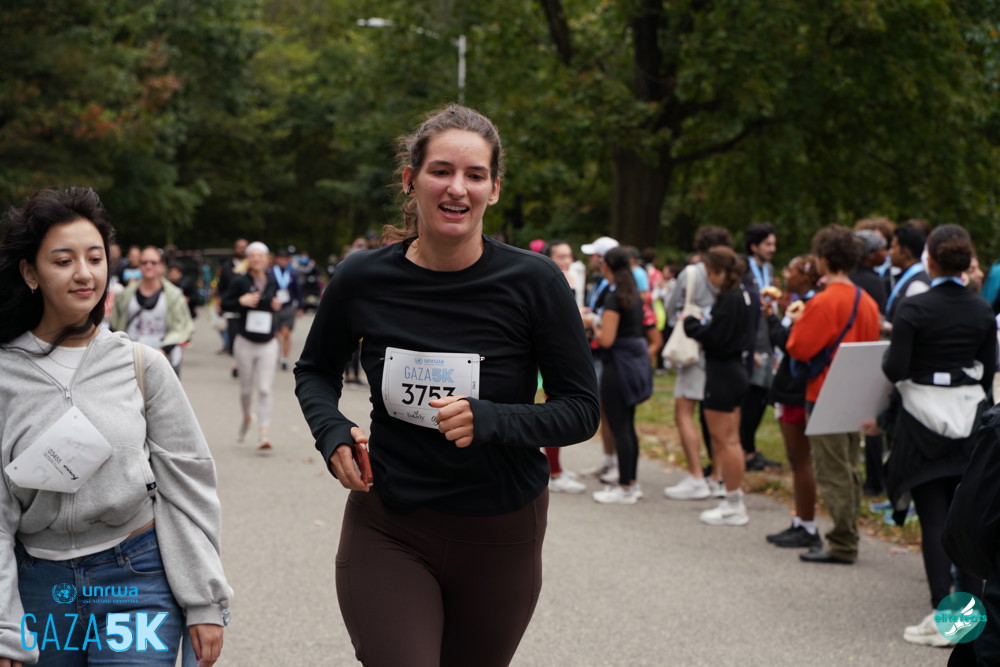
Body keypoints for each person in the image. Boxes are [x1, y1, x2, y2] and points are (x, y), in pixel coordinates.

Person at [294, 105, 599, 667]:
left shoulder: (533, 282)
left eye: (474, 174)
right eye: (441, 171)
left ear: (493, 189)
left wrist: (492, 419)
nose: (457, 188)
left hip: (500, 530)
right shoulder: (363, 277)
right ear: (411, 180)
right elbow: (314, 369)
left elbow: (581, 409)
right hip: (390, 522)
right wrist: (331, 430)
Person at [0, 187, 231, 666]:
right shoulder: (5, 374)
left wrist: (204, 598)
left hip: (136, 578)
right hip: (40, 588)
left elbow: (188, 485)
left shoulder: (142, 365)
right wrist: (4, 625)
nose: (84, 274)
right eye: (63, 261)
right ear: (30, 273)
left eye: (95, 258)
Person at [878, 225, 995, 646]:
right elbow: (987, 372)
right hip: (968, 422)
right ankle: (968, 621)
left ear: (929, 260)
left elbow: (895, 368)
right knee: (966, 519)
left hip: (921, 422)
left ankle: (942, 616)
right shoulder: (982, 309)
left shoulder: (914, 308)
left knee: (933, 519)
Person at [786, 224, 881, 564]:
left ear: (824, 258)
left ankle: (842, 542)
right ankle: (849, 531)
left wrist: (796, 321)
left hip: (825, 391)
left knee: (831, 469)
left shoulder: (824, 301)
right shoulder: (866, 301)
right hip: (856, 391)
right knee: (849, 466)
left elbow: (798, 347)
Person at [682, 246, 753, 525]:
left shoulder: (730, 298)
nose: (709, 279)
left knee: (725, 441)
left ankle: (734, 503)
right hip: (734, 370)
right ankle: (732, 498)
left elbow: (717, 338)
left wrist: (691, 325)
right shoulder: (743, 294)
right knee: (731, 439)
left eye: (710, 273)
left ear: (722, 272)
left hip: (723, 372)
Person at [663, 226, 733, 501]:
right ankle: (717, 475)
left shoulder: (693, 272)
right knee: (715, 417)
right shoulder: (733, 276)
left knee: (684, 411)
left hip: (693, 351)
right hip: (720, 352)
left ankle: (696, 476)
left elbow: (670, 307)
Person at [585, 247, 653, 504]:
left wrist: (592, 323)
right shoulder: (632, 294)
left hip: (618, 366)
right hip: (634, 363)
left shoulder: (615, 298)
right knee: (628, 426)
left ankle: (625, 486)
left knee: (619, 426)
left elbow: (607, 339)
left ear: (606, 267)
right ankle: (631, 482)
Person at [764, 254, 823, 547]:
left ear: (805, 275)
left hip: (796, 389)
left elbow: (791, 343)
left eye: (791, 269)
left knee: (801, 460)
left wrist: (771, 319)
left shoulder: (812, 305)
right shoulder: (803, 302)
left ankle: (807, 525)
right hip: (793, 388)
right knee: (796, 459)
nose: (786, 274)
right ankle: (801, 520)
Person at [223, 241, 281, 450]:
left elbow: (284, 300)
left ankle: (264, 433)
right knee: (246, 390)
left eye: (260, 255)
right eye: (253, 255)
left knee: (264, 389)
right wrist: (241, 301)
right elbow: (224, 304)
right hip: (245, 342)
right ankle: (247, 416)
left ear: (267, 259)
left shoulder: (274, 280)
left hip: (268, 342)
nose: (257, 259)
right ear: (248, 259)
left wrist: (278, 305)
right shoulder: (240, 281)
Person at [541, 240, 587, 494]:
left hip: (566, 350)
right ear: (549, 258)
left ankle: (556, 467)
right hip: (550, 353)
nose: (567, 261)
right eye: (561, 256)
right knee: (554, 406)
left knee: (560, 403)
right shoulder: (546, 280)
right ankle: (554, 472)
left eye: (569, 256)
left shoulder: (571, 278)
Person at [110, 246, 194, 376]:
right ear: (139, 266)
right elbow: (115, 325)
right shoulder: (125, 295)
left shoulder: (174, 295)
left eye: (153, 262)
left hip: (164, 358)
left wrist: (165, 349)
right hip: (131, 359)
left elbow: (181, 328)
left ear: (161, 266)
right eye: (144, 262)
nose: (148, 266)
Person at [740, 222, 781, 471]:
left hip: (767, 341)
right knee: (749, 397)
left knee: (761, 397)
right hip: (751, 342)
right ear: (754, 246)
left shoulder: (769, 269)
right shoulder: (744, 270)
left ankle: (750, 448)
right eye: (768, 244)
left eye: (774, 244)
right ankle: (745, 450)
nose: (772, 249)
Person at [885, 225, 930, 328]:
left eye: (893, 247)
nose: (889, 253)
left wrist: (887, 328)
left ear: (905, 252)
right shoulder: (909, 277)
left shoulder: (918, 285)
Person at [270, 248, 302, 372]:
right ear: (276, 259)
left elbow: (297, 290)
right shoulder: (271, 273)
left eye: (285, 259)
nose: (283, 261)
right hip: (274, 307)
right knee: (276, 334)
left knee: (286, 333)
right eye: (280, 258)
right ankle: (275, 355)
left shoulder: (291, 273)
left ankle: (285, 358)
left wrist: (300, 306)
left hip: (288, 307)